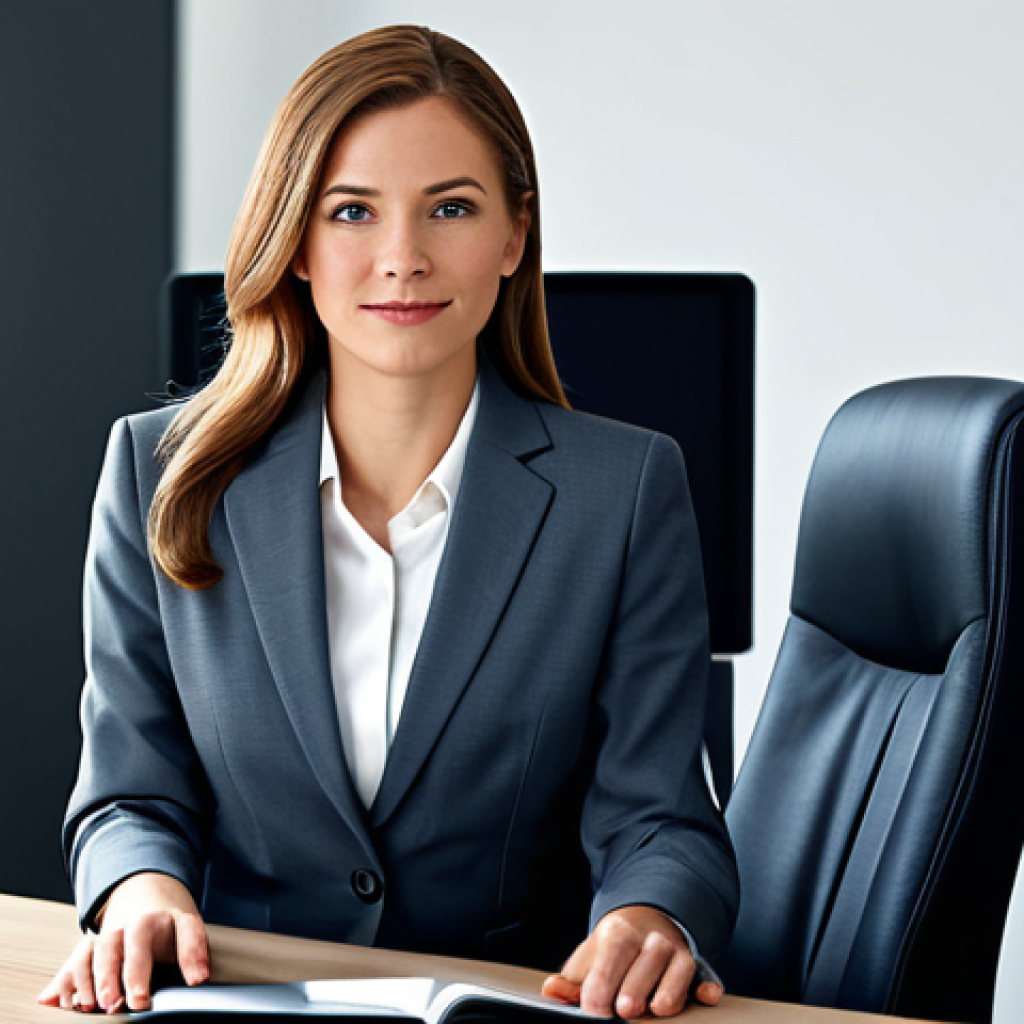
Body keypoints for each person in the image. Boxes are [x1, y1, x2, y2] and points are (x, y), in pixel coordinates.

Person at [38, 24, 738, 1019]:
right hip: (236, 998)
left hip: (510, 1007)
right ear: (296, 241)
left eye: (449, 207)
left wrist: (649, 912)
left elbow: (663, 821)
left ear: (513, 236)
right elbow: (129, 795)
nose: (402, 258)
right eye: (353, 211)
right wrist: (140, 889)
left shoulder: (622, 491)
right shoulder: (160, 474)